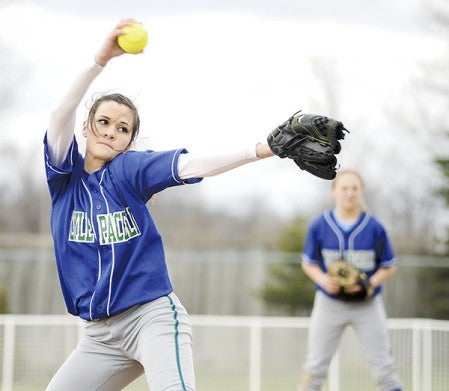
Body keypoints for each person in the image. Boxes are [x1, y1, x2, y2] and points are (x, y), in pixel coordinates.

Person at [44, 18, 275, 391]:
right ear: (85, 127)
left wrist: (262, 149)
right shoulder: (64, 179)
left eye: (123, 129)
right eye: (102, 121)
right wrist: (101, 59)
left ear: (129, 141)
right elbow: (59, 113)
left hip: (151, 318)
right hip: (99, 336)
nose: (110, 131)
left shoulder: (129, 170)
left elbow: (192, 164)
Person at [298, 169, 402, 391]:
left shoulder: (374, 227)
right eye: (344, 188)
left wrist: (369, 283)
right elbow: (308, 262)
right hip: (329, 303)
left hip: (367, 304)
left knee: (384, 370)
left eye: (354, 188)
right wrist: (323, 280)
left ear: (361, 192)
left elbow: (389, 265)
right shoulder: (320, 225)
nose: (349, 193)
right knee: (314, 368)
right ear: (334, 191)